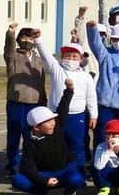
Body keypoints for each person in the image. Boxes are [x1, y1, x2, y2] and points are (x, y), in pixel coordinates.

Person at [13, 83, 85, 195]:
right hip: (43, 174)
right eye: (48, 121)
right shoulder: (29, 142)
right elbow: (27, 168)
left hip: (63, 171)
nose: (53, 123)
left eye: (53, 120)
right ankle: (41, 192)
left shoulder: (57, 128)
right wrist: (43, 181)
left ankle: (69, 191)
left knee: (77, 179)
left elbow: (63, 108)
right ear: (36, 127)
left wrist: (69, 90)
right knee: (18, 180)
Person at [35, 40, 97, 175]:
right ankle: (56, 171)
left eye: (74, 56)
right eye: (67, 55)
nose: (70, 59)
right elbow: (46, 55)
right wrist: (38, 40)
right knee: (55, 144)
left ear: (81, 59)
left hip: (78, 116)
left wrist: (93, 115)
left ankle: (78, 172)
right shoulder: (56, 70)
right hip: (56, 115)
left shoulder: (86, 77)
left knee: (77, 145)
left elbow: (91, 97)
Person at [86, 19, 119, 148]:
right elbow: (95, 44)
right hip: (104, 104)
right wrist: (92, 29)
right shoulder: (106, 54)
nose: (118, 42)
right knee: (102, 134)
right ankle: (99, 162)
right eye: (115, 40)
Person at [3, 23, 46, 175]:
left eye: (30, 37)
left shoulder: (39, 59)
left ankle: (31, 164)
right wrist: (11, 33)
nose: (27, 40)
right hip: (17, 101)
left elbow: (42, 80)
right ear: (19, 39)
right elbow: (8, 47)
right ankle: (12, 166)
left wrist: (44, 101)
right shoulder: (13, 56)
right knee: (14, 135)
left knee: (33, 136)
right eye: (24, 36)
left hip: (36, 102)